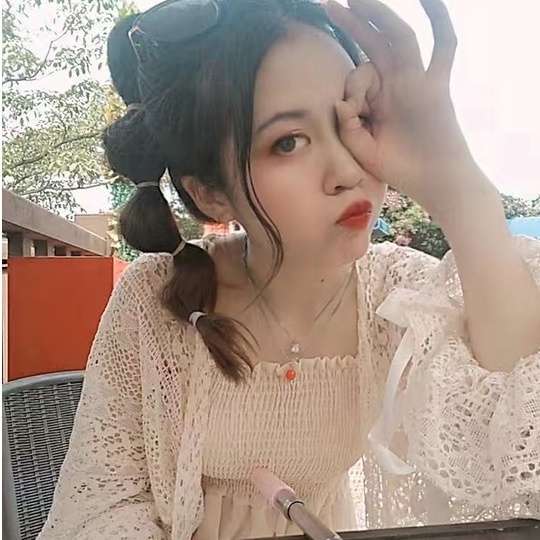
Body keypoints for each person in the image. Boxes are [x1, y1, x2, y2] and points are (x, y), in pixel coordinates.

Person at [38, 0, 540, 539]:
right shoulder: (156, 296)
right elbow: (103, 505)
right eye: (288, 142)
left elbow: (517, 437)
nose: (347, 170)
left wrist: (461, 189)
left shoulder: (397, 295)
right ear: (209, 193)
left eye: (357, 121)